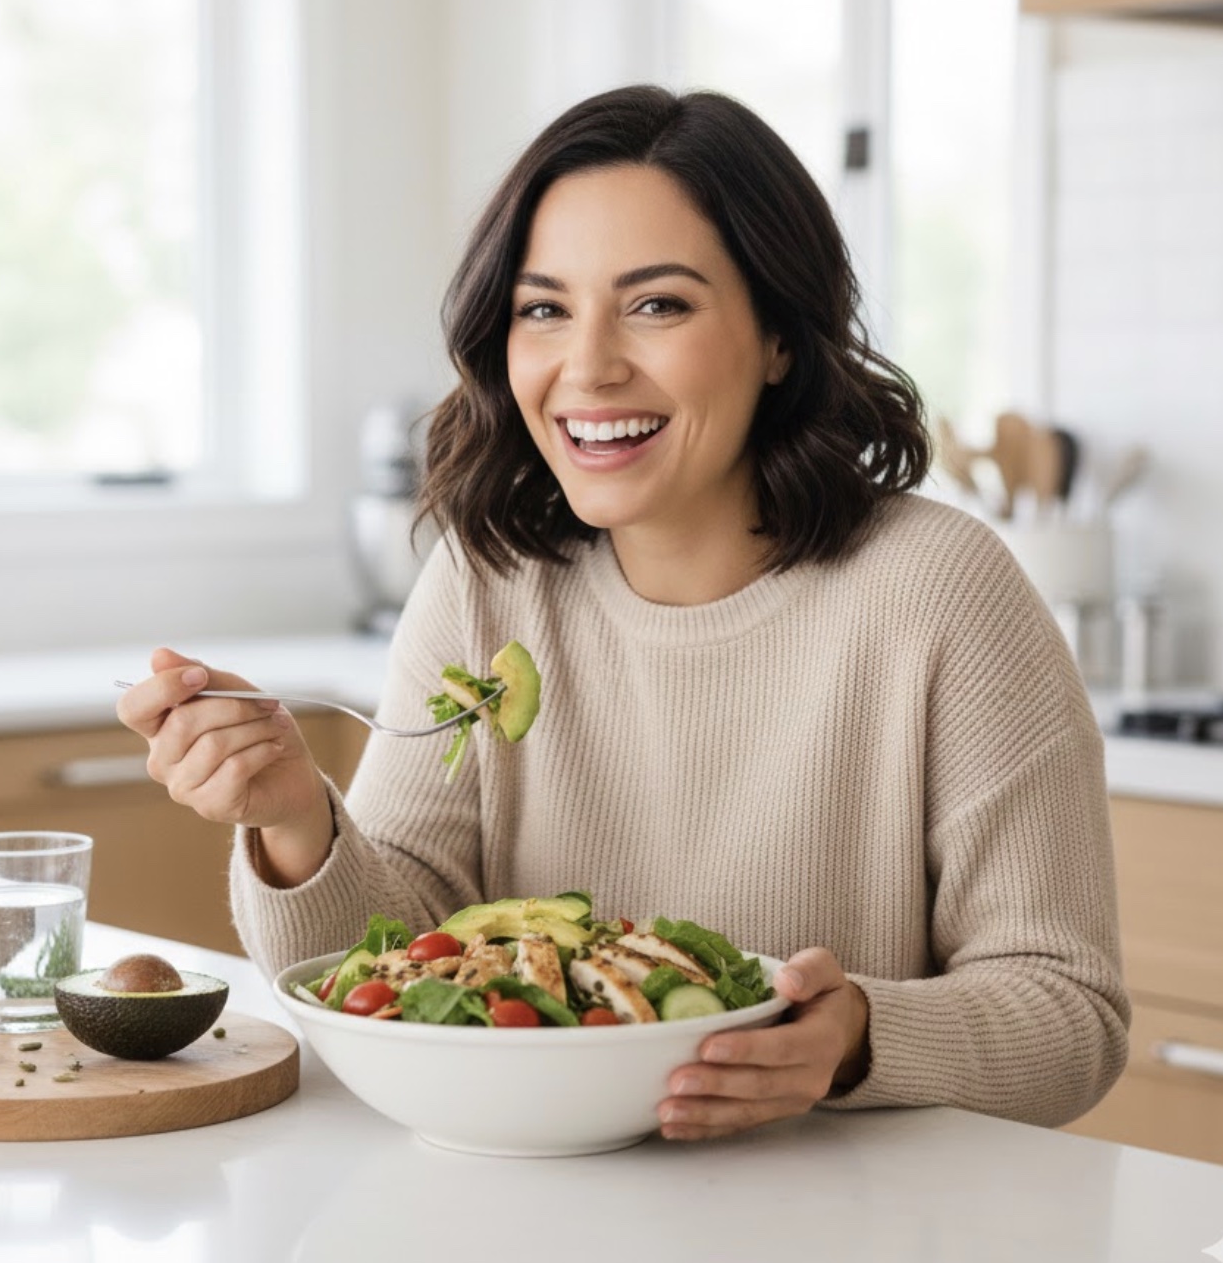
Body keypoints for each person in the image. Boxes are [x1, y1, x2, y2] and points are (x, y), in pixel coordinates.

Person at [118, 85, 1129, 1141]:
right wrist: (292, 817)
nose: (587, 367)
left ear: (779, 335)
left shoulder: (939, 587)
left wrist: (856, 1033)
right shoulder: (488, 575)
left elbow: (1068, 1016)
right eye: (543, 308)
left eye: (657, 304)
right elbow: (390, 961)